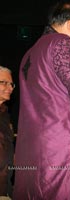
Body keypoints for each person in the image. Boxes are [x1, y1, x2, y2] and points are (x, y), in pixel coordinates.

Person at [13, 1, 70, 200]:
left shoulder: (29, 54)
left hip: (33, 152)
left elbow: (55, 93)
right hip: (60, 150)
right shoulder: (62, 43)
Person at [0, 66, 15, 200]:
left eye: (11, 84)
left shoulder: (5, 115)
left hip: (6, 189)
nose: (10, 88)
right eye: (4, 82)